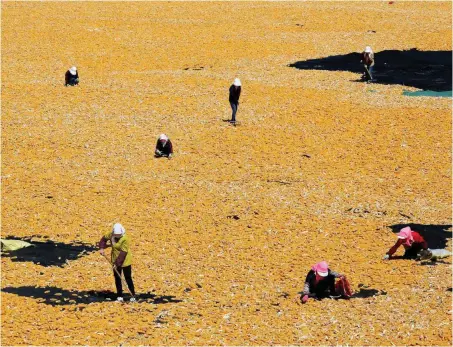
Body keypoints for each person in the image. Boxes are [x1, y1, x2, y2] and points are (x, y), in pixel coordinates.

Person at [99, 223, 135, 302]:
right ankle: (119, 295)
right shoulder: (111, 235)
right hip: (115, 259)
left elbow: (123, 252)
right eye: (116, 234)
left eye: (119, 234)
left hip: (125, 261)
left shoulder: (125, 238)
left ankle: (132, 294)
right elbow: (103, 239)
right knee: (117, 278)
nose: (117, 236)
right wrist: (101, 248)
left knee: (127, 277)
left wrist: (117, 264)